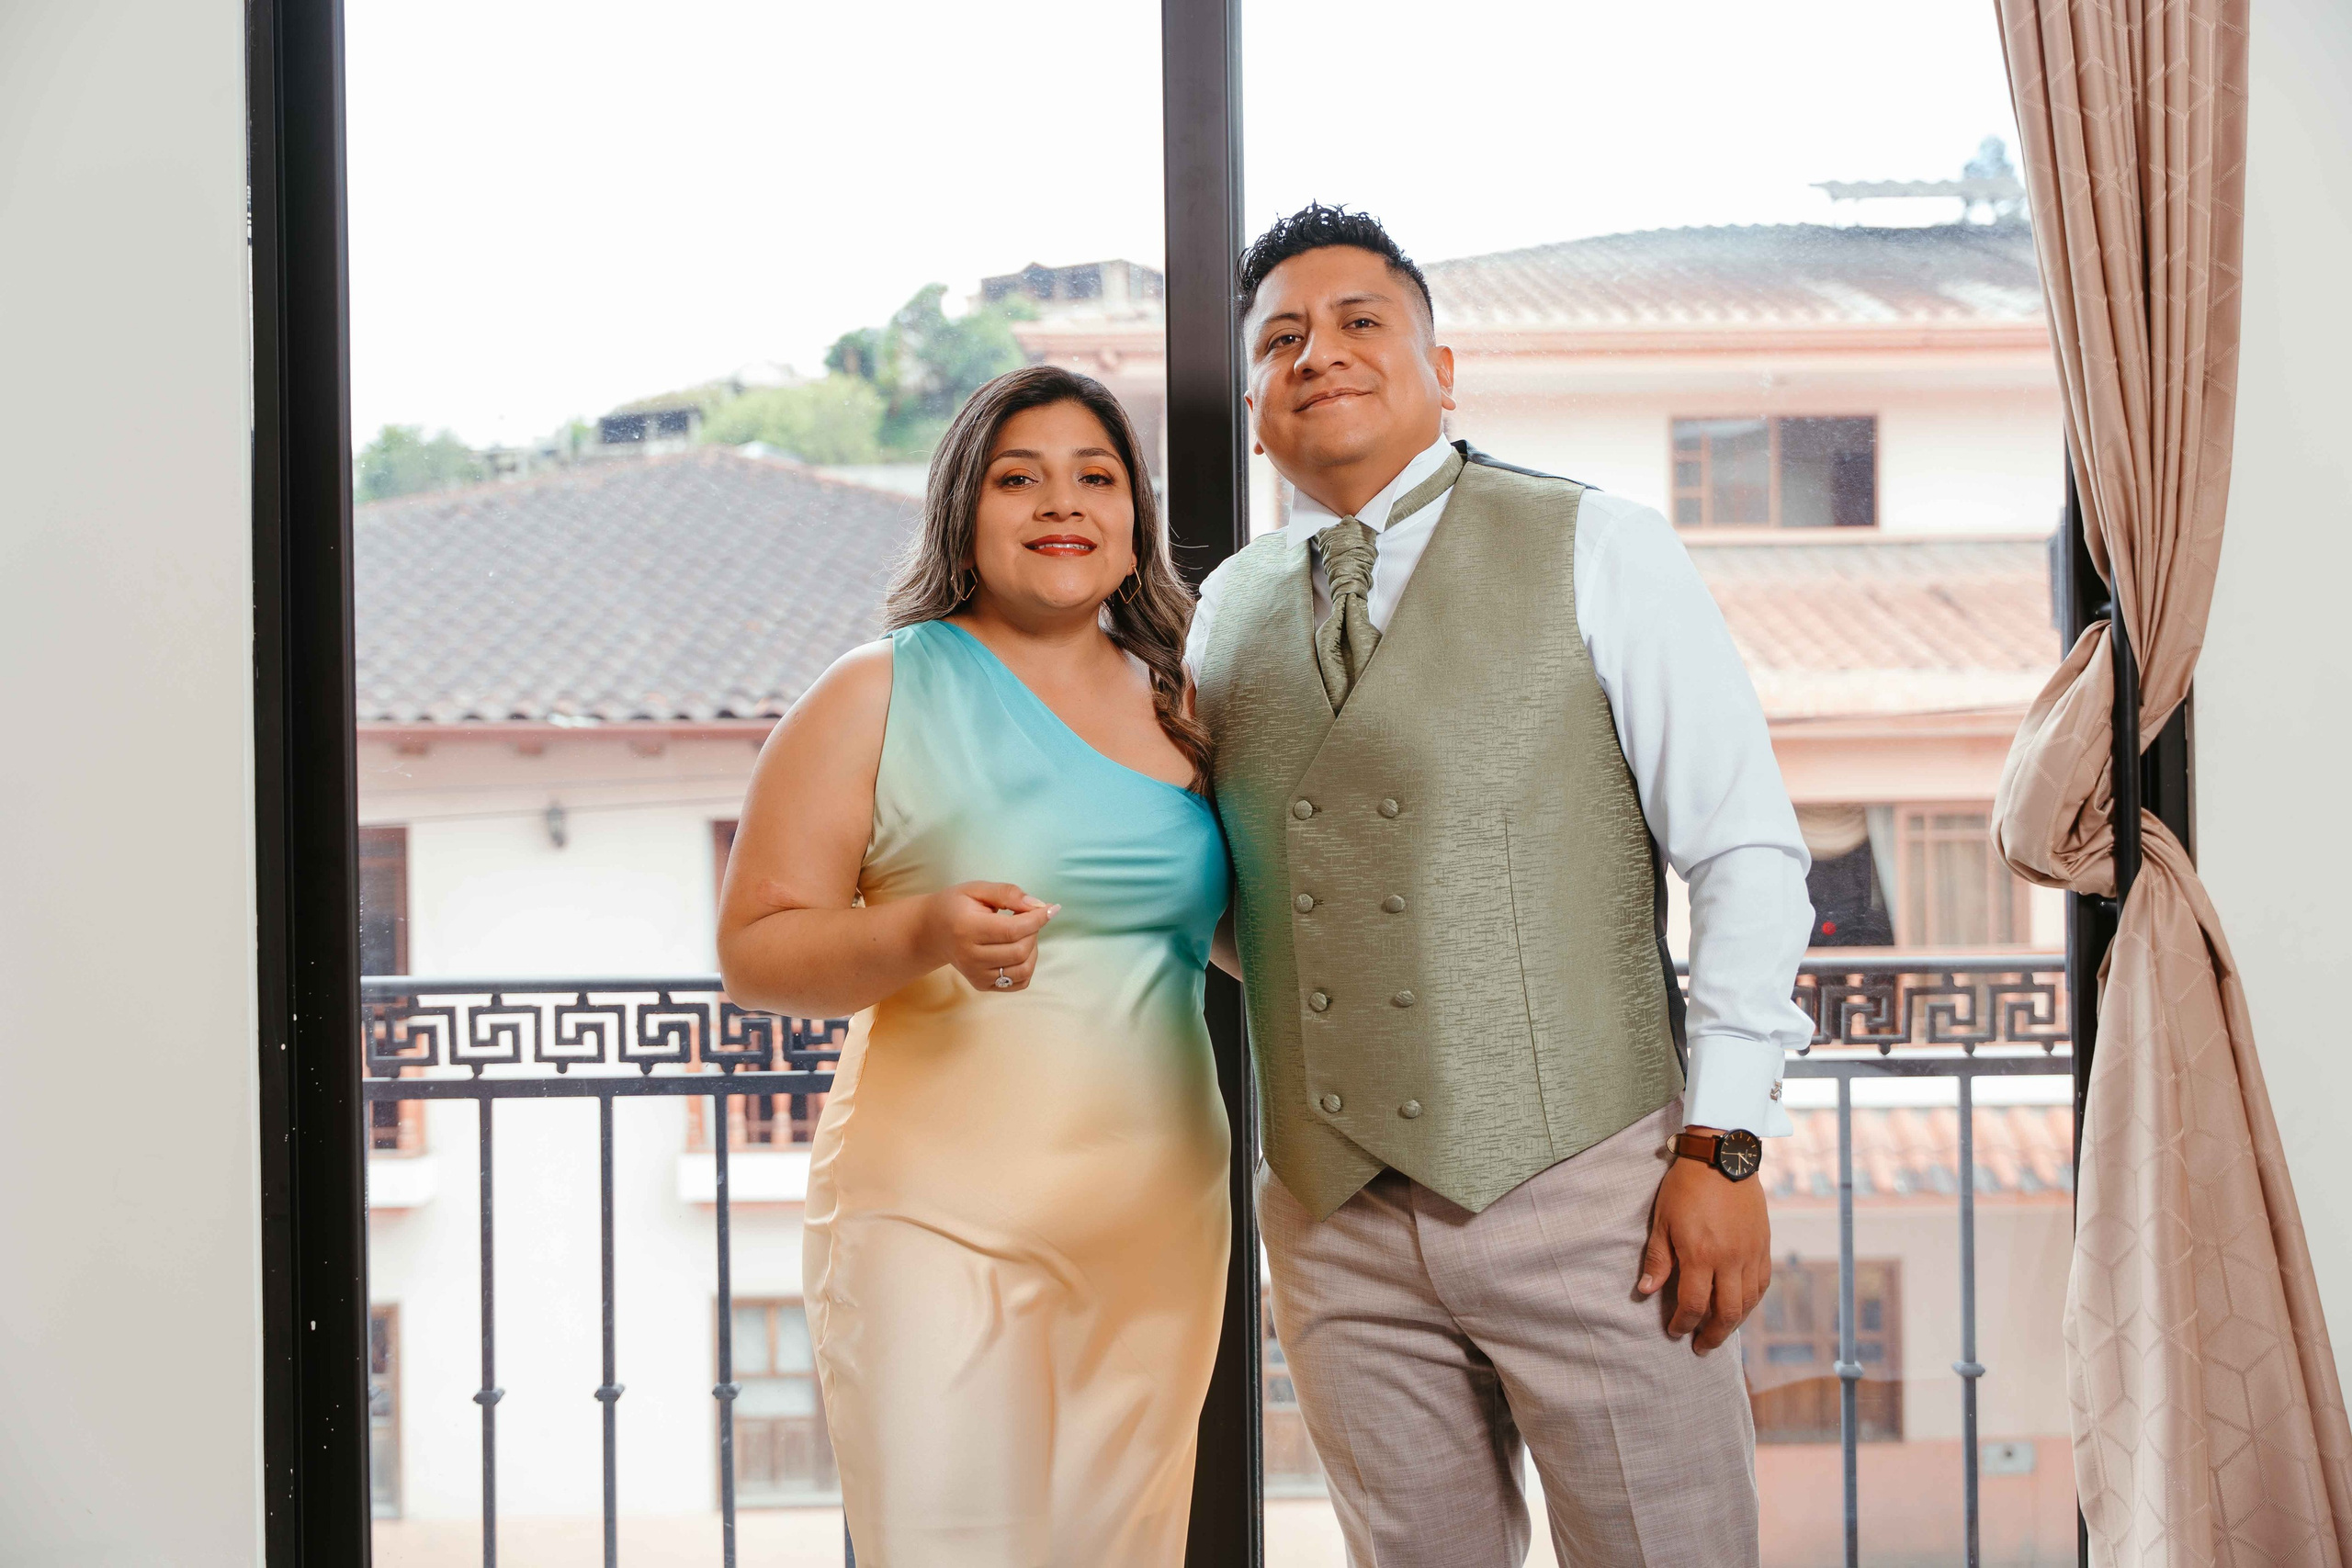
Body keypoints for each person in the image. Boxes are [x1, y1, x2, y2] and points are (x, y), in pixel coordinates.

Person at [1188, 203, 1815, 1567]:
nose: (1319, 354)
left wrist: (1725, 1143)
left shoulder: (1601, 544)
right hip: (1330, 1219)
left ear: (1441, 368)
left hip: (1598, 1191)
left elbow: (1747, 853)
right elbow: (1254, 901)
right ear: (1252, 405)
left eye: (1361, 323)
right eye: (1281, 338)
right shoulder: (1222, 616)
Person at [718, 365, 1230, 1567]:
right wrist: (921, 932)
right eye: (1020, 478)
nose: (1063, 503)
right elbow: (754, 951)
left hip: (1158, 1233)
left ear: (1134, 516)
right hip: (933, 1227)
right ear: (964, 508)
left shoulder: (1189, 705)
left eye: (1096, 477)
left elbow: (1250, 931)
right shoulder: (877, 691)